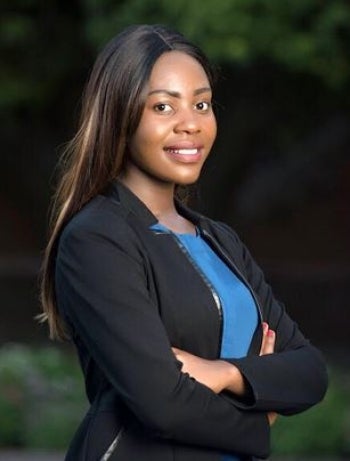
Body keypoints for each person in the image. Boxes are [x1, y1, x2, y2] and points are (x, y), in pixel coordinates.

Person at [39, 24, 328, 461]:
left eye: (202, 103)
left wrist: (226, 373)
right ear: (121, 115)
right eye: (163, 106)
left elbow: (310, 372)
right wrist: (260, 417)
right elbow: (162, 405)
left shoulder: (219, 240)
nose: (190, 123)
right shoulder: (96, 239)